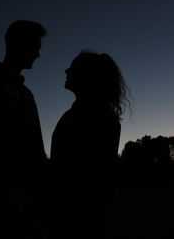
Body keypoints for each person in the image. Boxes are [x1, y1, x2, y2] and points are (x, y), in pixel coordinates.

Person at [0, 20, 48, 238]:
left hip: (28, 191)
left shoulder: (26, 93)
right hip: (2, 191)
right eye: (36, 47)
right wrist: (2, 188)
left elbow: (36, 142)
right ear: (21, 44)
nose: (38, 55)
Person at [50, 51, 129, 239]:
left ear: (86, 75)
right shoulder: (74, 113)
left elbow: (94, 172)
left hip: (81, 213)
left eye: (72, 67)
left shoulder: (100, 116)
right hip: (67, 209)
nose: (66, 71)